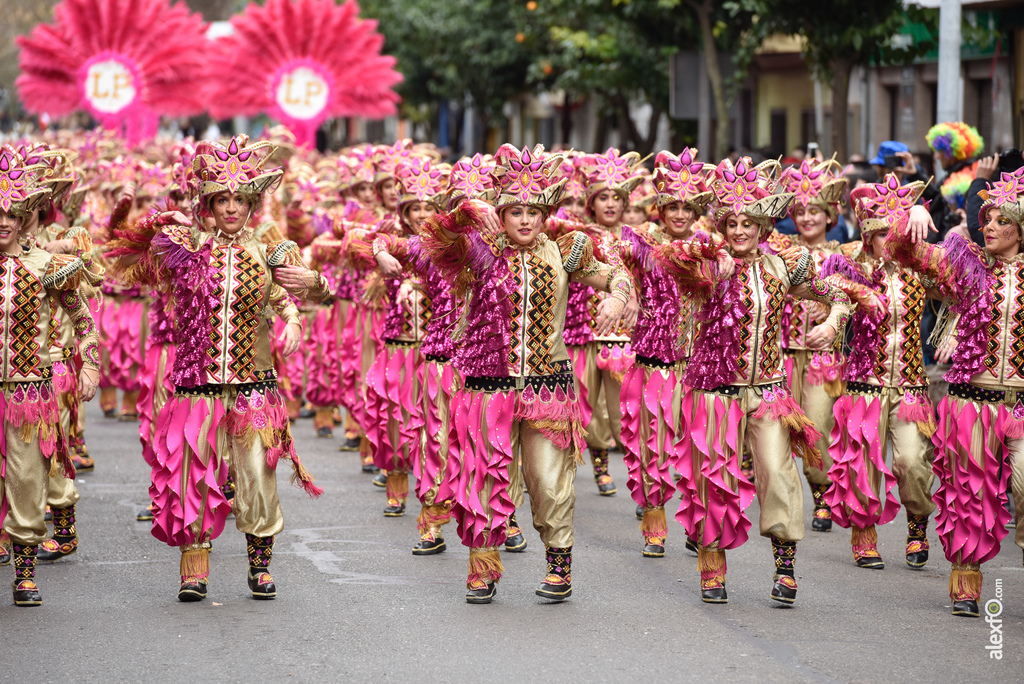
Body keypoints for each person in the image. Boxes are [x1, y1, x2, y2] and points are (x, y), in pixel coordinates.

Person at [106, 135, 329, 602]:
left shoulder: (270, 250)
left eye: (239, 199)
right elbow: (125, 255)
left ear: (252, 203)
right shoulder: (184, 248)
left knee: (256, 476)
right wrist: (152, 218)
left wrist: (301, 305)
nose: (231, 208)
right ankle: (194, 571)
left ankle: (260, 566)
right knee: (193, 474)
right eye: (222, 199)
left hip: (253, 386)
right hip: (196, 386)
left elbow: (300, 296)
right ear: (208, 203)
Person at [420, 144, 633, 604]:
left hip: (546, 389)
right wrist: (465, 211)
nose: (524, 220)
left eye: (533, 212)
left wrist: (618, 294)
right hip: (486, 388)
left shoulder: (566, 252)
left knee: (549, 481)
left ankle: (559, 568)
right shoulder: (477, 253)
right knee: (485, 478)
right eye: (514, 211)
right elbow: (434, 237)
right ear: (501, 212)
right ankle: (482, 568)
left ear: (545, 215)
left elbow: (611, 274)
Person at [660, 157, 852, 605]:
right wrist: (707, 256)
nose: (740, 230)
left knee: (779, 476)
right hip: (713, 394)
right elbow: (670, 256)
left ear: (764, 226)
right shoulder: (706, 263)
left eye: (749, 222)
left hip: (767, 393)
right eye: (732, 223)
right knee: (712, 481)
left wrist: (834, 322)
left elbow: (838, 292)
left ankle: (785, 569)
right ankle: (712, 569)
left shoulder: (781, 266)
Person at [884, 165, 1024, 617]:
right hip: (972, 403)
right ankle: (966, 582)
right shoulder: (966, 264)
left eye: (1003, 221)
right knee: (970, 494)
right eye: (988, 218)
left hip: (1020, 402)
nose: (991, 227)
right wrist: (909, 220)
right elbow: (908, 255)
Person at [0, 144, 100, 606]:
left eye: (13, 213)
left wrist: (90, 363)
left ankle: (25, 575)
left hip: (28, 393)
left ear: (26, 217)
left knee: (26, 480)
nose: (4, 221)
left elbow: (83, 321)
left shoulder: (49, 267)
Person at [823, 174, 938, 570]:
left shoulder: (920, 270)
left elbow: (967, 284)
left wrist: (924, 209)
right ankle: (864, 534)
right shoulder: (851, 271)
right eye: (880, 234)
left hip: (909, 386)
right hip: (864, 386)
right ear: (867, 237)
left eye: (897, 232)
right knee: (862, 465)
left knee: (912, 462)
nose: (888, 241)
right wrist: (833, 323)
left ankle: (917, 524)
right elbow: (834, 298)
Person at [617, 149, 715, 558]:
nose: (679, 213)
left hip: (700, 366)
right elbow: (614, 263)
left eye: (687, 206)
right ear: (660, 207)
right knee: (652, 446)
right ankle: (654, 525)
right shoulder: (641, 241)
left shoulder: (711, 247)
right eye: (672, 205)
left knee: (700, 451)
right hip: (655, 363)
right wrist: (627, 293)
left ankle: (697, 522)